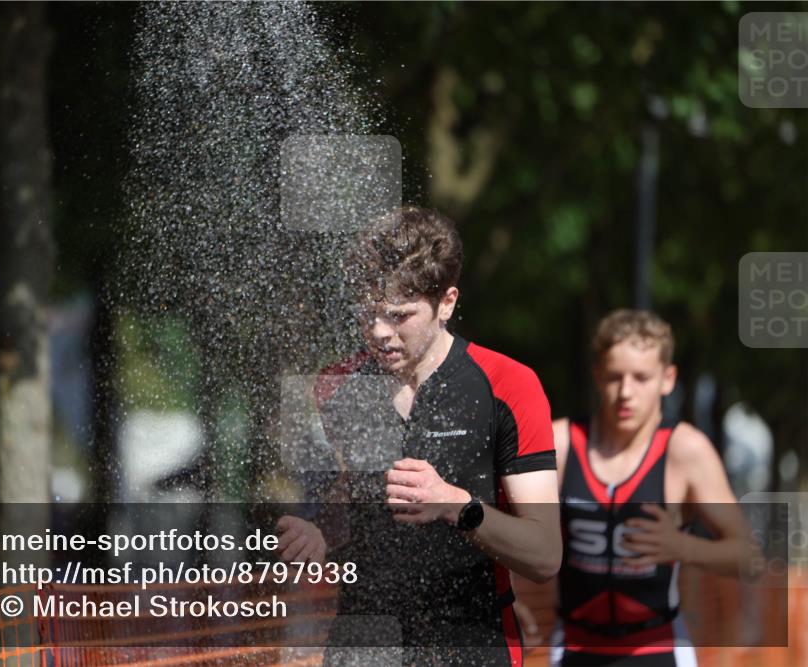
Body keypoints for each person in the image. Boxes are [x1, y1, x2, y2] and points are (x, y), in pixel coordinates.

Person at [275, 206, 562, 666]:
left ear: (447, 302)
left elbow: (545, 555)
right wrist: (320, 533)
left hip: (469, 640)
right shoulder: (336, 386)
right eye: (367, 314)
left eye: (398, 315)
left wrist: (455, 505)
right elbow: (353, 500)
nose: (378, 333)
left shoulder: (509, 386)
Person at [524, 309, 754, 667]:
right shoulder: (561, 443)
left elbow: (748, 557)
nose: (626, 392)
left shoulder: (686, 451)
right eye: (615, 377)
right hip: (574, 646)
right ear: (597, 375)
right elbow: (501, 526)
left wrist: (683, 546)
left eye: (641, 377)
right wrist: (509, 603)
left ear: (668, 378)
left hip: (657, 647)